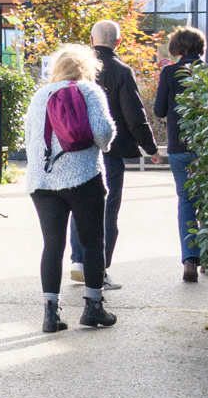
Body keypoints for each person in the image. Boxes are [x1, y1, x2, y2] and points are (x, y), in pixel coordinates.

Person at [23, 44, 118, 333]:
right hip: (82, 177)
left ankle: (50, 315)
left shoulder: (40, 95)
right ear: (88, 67)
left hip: (42, 181)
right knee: (91, 243)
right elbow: (103, 133)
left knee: (52, 245)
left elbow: (29, 136)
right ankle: (93, 307)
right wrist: (105, 145)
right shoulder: (91, 91)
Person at [68, 20, 158, 289]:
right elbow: (134, 115)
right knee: (107, 210)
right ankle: (100, 270)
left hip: (78, 147)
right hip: (111, 150)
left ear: (91, 39)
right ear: (118, 42)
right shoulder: (121, 71)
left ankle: (78, 260)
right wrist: (150, 148)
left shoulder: (77, 69)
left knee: (79, 204)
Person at [152, 26, 207, 282]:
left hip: (179, 148)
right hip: (207, 148)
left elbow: (159, 110)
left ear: (177, 48)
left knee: (186, 201)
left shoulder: (170, 72)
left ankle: (190, 259)